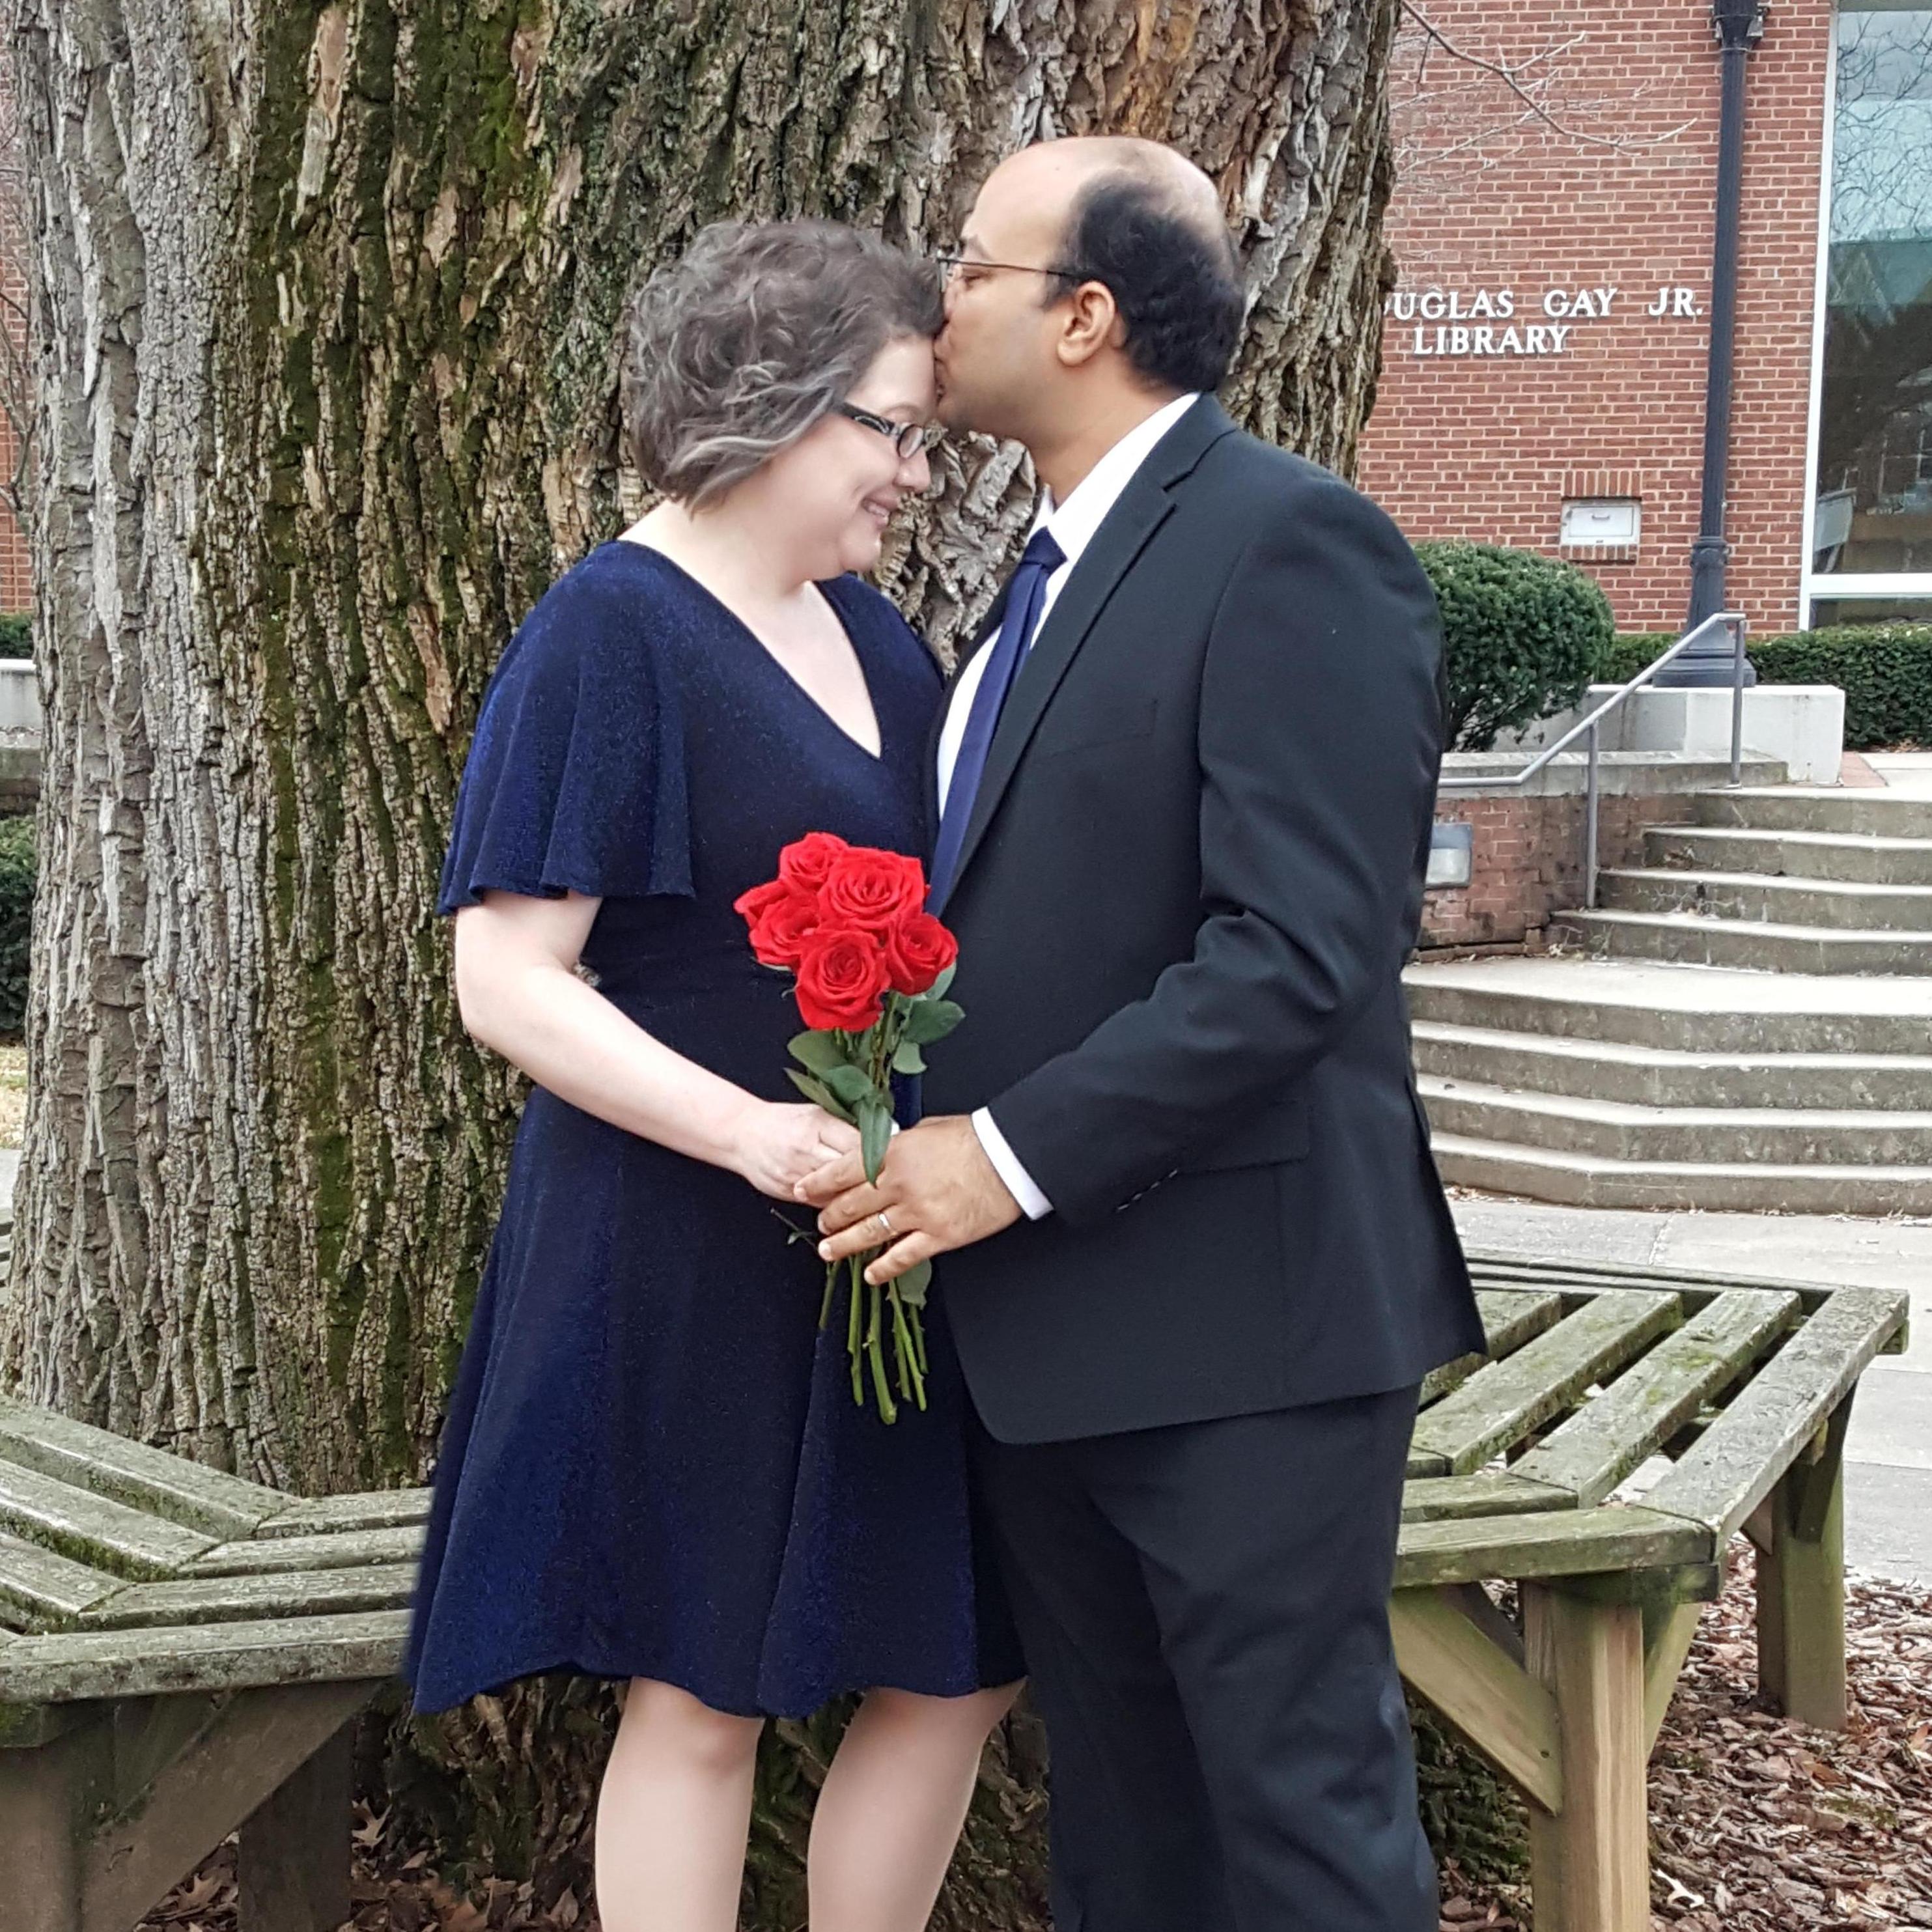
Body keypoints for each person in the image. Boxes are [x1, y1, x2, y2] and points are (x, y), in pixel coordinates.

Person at [802, 139, 1485, 1931]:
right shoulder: (1028, 587)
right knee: (1127, 1837)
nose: (936, 298)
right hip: (1049, 1342)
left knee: (1295, 1831)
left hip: (1243, 1338)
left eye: (969, 265)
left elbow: (1302, 953)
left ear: (1087, 314)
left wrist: (994, 1161)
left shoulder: (1288, 545)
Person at [406, 219, 1022, 1932]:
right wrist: (749, 1131)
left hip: (874, 1247)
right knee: (701, 1692)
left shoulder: (879, 640)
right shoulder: (612, 634)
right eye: (891, 431)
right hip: (677, 1243)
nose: (916, 473)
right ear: (772, 408)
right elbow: (504, 983)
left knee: (958, 1659)